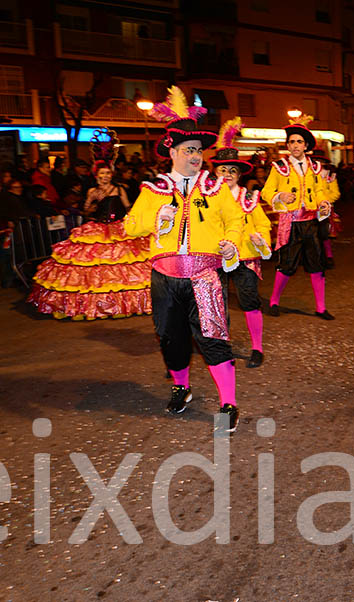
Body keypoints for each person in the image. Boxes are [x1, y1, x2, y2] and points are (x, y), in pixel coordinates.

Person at [124, 88, 243, 431]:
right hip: (165, 276)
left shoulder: (217, 188)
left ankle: (229, 403)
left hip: (205, 275)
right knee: (170, 337)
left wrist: (232, 243)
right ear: (172, 153)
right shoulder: (153, 190)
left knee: (213, 338)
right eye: (188, 150)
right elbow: (130, 227)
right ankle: (181, 387)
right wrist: (154, 220)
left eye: (199, 151)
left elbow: (235, 221)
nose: (196, 156)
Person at [28, 129, 154, 321]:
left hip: (120, 227)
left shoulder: (120, 188)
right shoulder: (92, 191)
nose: (105, 176)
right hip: (99, 228)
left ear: (111, 174)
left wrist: (134, 223)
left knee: (127, 265)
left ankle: (128, 303)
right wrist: (92, 203)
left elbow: (129, 207)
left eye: (107, 173)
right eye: (101, 173)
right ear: (96, 175)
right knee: (94, 267)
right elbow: (86, 211)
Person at [210, 118, 273, 368]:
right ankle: (223, 349)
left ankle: (256, 348)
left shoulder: (249, 197)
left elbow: (263, 224)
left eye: (232, 171)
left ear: (239, 174)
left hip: (245, 258)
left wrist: (260, 239)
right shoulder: (207, 198)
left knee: (249, 302)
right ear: (215, 172)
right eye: (222, 170)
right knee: (218, 304)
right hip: (214, 259)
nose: (227, 175)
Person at [260, 113, 334, 320]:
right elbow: (266, 192)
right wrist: (279, 195)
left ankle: (321, 308)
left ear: (306, 145)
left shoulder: (315, 168)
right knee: (287, 264)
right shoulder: (279, 168)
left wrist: (324, 202)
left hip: (311, 222)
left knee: (316, 264)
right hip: (290, 223)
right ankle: (274, 301)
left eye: (299, 141)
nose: (295, 145)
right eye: (291, 141)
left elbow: (320, 191)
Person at [310, 148, 341, 269]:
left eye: (320, 161)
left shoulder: (329, 177)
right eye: (315, 160)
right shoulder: (307, 175)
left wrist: (325, 201)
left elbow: (336, 193)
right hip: (310, 208)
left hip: (324, 210)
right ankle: (313, 259)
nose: (318, 163)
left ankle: (328, 257)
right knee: (310, 234)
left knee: (324, 234)